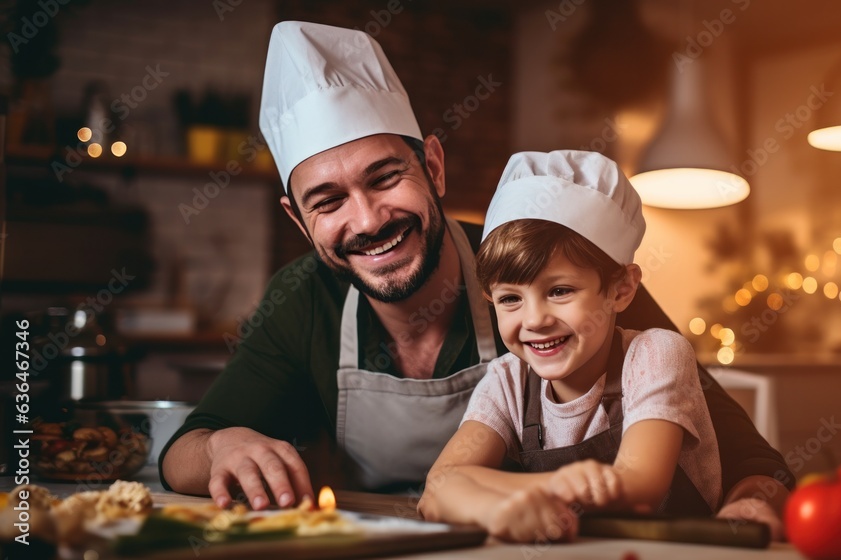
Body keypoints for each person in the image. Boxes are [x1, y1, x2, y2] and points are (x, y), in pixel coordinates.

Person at [159, 21, 792, 537]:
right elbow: (183, 452)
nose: (368, 219)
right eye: (328, 202)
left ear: (432, 166)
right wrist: (224, 446)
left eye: (385, 178)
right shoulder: (304, 298)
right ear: (300, 223)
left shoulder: (545, 262)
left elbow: (749, 457)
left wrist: (754, 503)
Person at [417, 150, 723, 542]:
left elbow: (640, 485)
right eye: (510, 299)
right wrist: (499, 510)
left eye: (559, 291)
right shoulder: (508, 380)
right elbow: (438, 487)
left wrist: (497, 488)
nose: (533, 320)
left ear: (621, 288)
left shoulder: (656, 355)